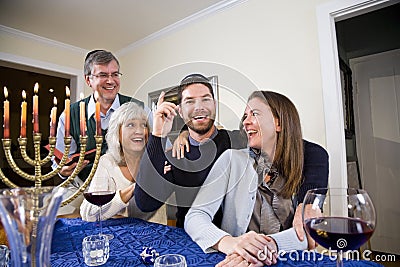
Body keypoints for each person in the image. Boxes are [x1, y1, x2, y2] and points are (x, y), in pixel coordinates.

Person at [184, 91, 328, 266]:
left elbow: (307, 230)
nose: (245, 121)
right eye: (245, 116)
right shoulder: (232, 160)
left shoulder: (306, 164)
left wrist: (263, 249)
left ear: (279, 123)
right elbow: (195, 216)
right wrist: (231, 243)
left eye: (255, 113)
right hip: (235, 261)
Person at [134, 73, 243, 228]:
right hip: (189, 242)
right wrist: (158, 135)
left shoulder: (237, 142)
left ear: (215, 104)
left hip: (235, 242)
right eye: (190, 101)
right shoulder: (176, 155)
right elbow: (145, 203)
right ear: (180, 111)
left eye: (205, 99)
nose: (199, 107)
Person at [54, 49, 148, 215]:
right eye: (103, 75)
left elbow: (161, 145)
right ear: (88, 80)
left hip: (126, 186)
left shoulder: (139, 108)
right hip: (82, 187)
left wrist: (182, 135)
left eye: (115, 74)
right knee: (52, 210)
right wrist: (63, 171)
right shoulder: (70, 115)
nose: (110, 80)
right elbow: (60, 160)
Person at [80, 102, 167, 224]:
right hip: (121, 237)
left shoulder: (157, 158)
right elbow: (88, 213)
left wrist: (183, 135)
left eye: (144, 125)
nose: (139, 131)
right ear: (118, 133)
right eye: (131, 125)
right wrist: (135, 188)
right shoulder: (107, 162)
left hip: (158, 236)